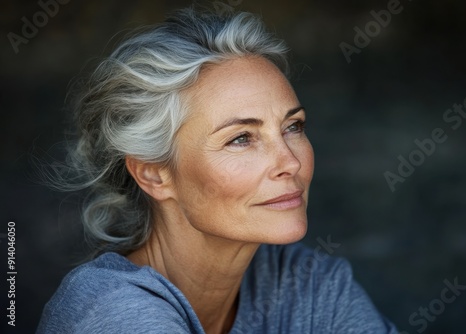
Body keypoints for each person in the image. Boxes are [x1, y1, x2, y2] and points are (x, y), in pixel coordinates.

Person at [37, 7, 399, 334]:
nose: (291, 162)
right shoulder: (113, 313)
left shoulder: (312, 285)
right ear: (153, 174)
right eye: (241, 138)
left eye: (293, 127)